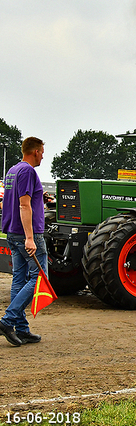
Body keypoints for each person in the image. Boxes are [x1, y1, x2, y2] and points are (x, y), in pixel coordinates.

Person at [0, 137, 48, 347]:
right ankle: (7, 321)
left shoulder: (12, 170)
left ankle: (22, 329)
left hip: (11, 231)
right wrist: (30, 238)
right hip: (27, 234)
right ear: (35, 151)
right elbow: (24, 205)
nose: (43, 156)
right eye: (42, 152)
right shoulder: (28, 171)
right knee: (39, 278)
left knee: (19, 279)